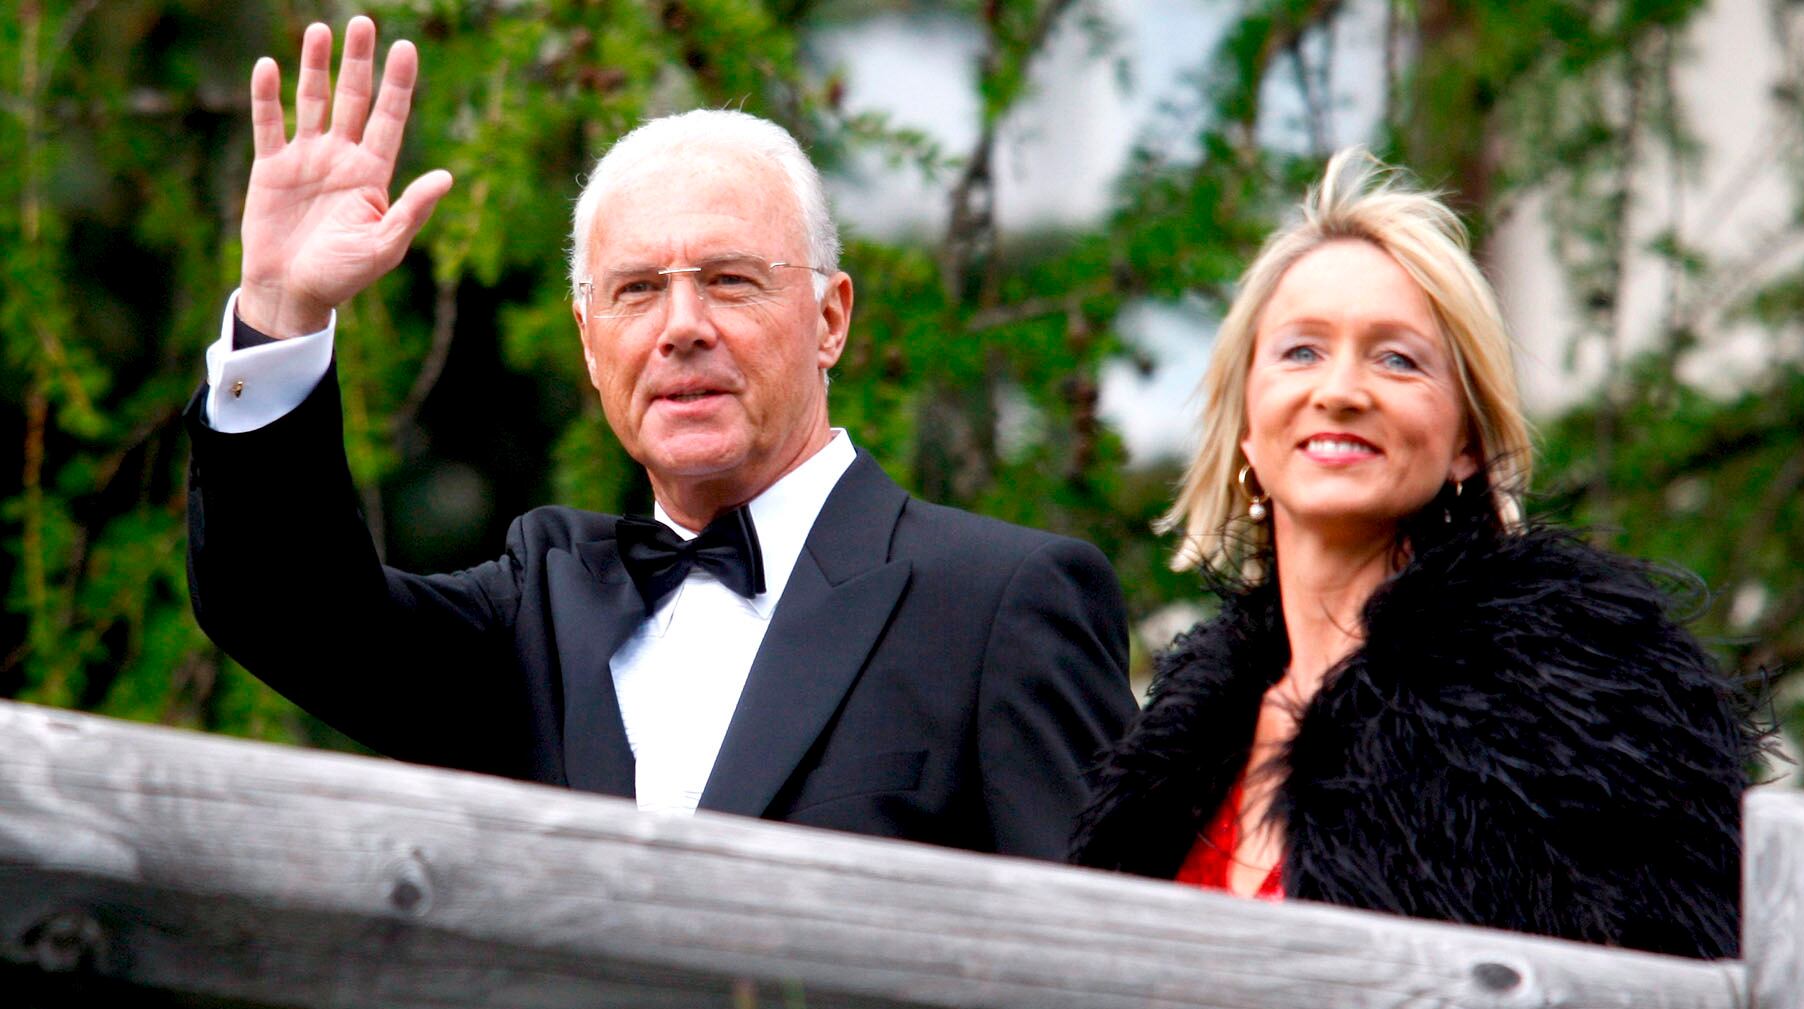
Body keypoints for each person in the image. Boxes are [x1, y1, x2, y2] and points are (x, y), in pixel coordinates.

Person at [185, 17, 1135, 860]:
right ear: (591, 346)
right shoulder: (539, 603)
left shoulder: (1000, 603)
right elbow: (288, 607)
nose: (681, 325)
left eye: (729, 279)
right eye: (637, 290)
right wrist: (281, 309)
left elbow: (1110, 968)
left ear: (830, 318)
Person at [1072, 149, 1767, 958]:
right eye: (1301, 351)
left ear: (1468, 442)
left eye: (1396, 358)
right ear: (1247, 430)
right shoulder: (1175, 749)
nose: (1339, 389)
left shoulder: (1570, 705)